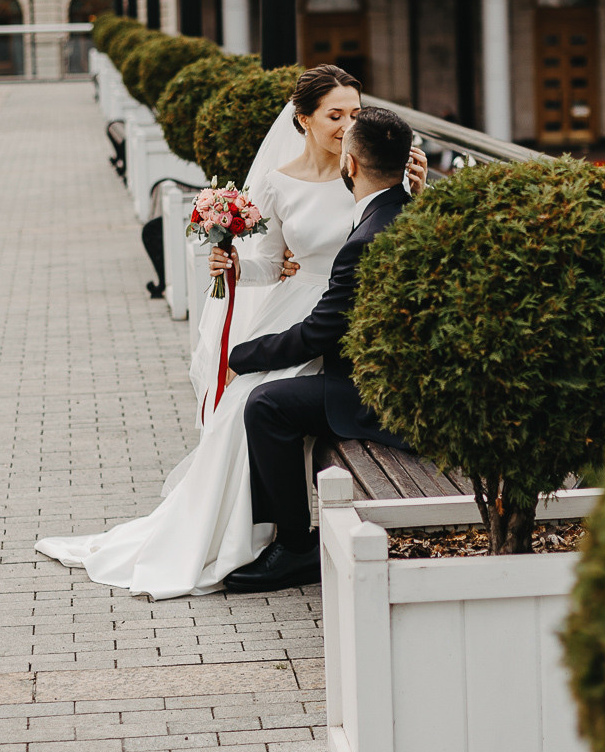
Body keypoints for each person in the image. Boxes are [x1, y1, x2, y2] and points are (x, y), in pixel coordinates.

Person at [34, 68, 426, 598]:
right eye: (335, 115)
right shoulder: (284, 180)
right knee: (241, 410)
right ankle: (246, 533)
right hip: (307, 309)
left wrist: (416, 189)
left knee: (262, 401)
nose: (347, 125)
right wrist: (235, 264)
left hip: (333, 326)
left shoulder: (380, 175)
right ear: (304, 120)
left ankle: (285, 542)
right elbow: (271, 261)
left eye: (355, 114)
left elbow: (398, 242)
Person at [224, 106, 416, 595]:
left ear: (350, 165)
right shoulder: (404, 211)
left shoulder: (368, 236)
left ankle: (293, 548)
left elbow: (318, 335)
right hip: (403, 372)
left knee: (266, 404)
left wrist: (243, 355)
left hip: (386, 396)